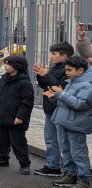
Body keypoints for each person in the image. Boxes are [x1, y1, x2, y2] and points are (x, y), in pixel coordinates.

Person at [44, 55, 92, 188]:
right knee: (66, 150)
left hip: (76, 124)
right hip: (65, 121)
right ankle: (70, 174)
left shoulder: (87, 85)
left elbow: (79, 104)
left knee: (79, 152)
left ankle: (84, 180)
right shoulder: (72, 82)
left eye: (69, 70)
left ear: (80, 70)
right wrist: (55, 97)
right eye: (66, 69)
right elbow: (65, 102)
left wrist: (62, 94)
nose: (67, 73)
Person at [0, 55, 33, 174]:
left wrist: (20, 117)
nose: (5, 66)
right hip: (3, 115)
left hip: (15, 118)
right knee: (3, 140)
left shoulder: (24, 83)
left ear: (16, 66)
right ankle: (2, 158)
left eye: (8, 64)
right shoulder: (4, 79)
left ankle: (24, 163)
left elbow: (27, 102)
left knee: (18, 142)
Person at [33, 42, 74, 177]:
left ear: (64, 56)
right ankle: (53, 165)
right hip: (50, 107)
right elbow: (45, 85)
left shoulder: (68, 70)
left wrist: (46, 75)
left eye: (54, 54)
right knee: (50, 139)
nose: (51, 56)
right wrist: (40, 75)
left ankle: (67, 171)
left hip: (60, 108)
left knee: (62, 141)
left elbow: (60, 87)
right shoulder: (55, 67)